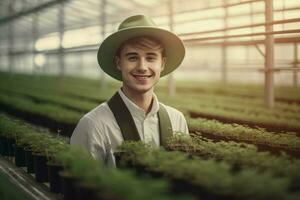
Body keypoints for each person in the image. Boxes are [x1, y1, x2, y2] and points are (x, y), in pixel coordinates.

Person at [70, 15, 189, 166]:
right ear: (119, 63)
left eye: (151, 58)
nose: (142, 67)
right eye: (132, 58)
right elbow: (79, 186)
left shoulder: (176, 120)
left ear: (162, 64)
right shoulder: (94, 125)